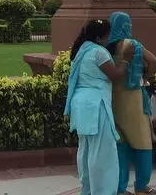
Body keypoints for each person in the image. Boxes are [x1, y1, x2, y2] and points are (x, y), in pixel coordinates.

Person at [65, 18, 126, 194]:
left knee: (86, 151)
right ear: (99, 38)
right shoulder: (99, 52)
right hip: (95, 105)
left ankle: (88, 190)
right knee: (102, 153)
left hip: (81, 104)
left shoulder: (81, 50)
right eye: (107, 35)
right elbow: (115, 75)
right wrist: (126, 61)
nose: (109, 38)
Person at [106, 11, 156, 195]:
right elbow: (153, 61)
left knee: (120, 145)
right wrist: (147, 76)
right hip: (134, 99)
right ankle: (141, 186)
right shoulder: (133, 44)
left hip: (113, 99)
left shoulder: (106, 47)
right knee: (143, 143)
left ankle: (120, 188)